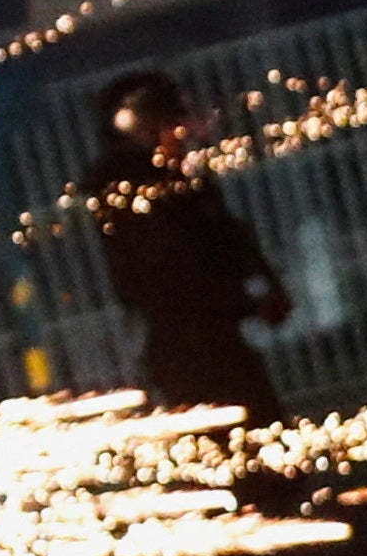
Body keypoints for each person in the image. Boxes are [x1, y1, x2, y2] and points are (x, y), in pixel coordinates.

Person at [84, 71, 293, 422]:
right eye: (172, 125)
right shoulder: (137, 196)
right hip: (191, 348)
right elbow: (176, 274)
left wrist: (260, 287)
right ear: (144, 129)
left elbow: (227, 237)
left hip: (209, 340)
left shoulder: (176, 187)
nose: (183, 135)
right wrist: (246, 300)